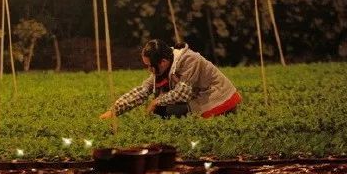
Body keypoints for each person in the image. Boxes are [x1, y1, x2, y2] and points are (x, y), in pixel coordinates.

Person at [99, 39, 241, 120]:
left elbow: (183, 93)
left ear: (163, 61)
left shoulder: (190, 60)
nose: (149, 70)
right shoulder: (164, 67)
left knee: (166, 110)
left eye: (150, 66)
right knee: (162, 109)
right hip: (198, 98)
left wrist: (156, 101)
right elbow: (142, 91)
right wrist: (113, 111)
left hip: (219, 99)